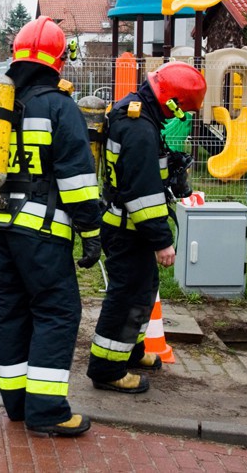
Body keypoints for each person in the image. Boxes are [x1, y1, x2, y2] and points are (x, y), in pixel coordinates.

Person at [0, 16, 100, 437]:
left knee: (9, 312)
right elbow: (76, 180)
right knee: (56, 312)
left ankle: (17, 405)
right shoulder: (60, 106)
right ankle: (48, 411)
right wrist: (91, 233)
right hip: (42, 234)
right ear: (57, 61)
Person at [86, 62, 207, 394]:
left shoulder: (137, 115)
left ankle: (131, 351)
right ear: (170, 100)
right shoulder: (139, 128)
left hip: (128, 225)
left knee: (142, 288)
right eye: (181, 109)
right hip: (128, 229)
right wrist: (162, 241)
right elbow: (142, 193)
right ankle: (107, 368)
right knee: (125, 295)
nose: (179, 116)